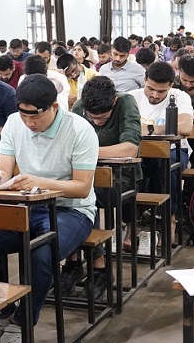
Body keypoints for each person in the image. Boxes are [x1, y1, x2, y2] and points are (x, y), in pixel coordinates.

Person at [0, 74, 98, 343]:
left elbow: (82, 187)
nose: (29, 123)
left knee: (41, 252)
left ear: (54, 108)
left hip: (71, 210)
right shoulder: (14, 123)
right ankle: (5, 309)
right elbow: (4, 167)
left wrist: (39, 182)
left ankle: (23, 322)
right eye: (24, 116)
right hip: (26, 204)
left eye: (35, 117)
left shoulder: (80, 130)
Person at [65, 76, 142, 296]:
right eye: (92, 117)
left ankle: (99, 266)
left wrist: (85, 153)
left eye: (103, 117)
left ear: (114, 102)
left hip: (121, 179)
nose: (97, 122)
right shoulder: (80, 107)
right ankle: (73, 263)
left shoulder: (126, 102)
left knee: (83, 193)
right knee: (66, 196)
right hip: (87, 177)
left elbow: (129, 149)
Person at [130, 61, 193, 246]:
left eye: (161, 91)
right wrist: (167, 129)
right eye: (150, 89)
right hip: (141, 153)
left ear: (171, 86)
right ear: (144, 80)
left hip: (174, 150)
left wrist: (150, 129)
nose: (155, 95)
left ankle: (169, 219)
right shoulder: (131, 98)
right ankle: (131, 223)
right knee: (128, 170)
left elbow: (186, 127)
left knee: (168, 167)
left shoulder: (179, 97)